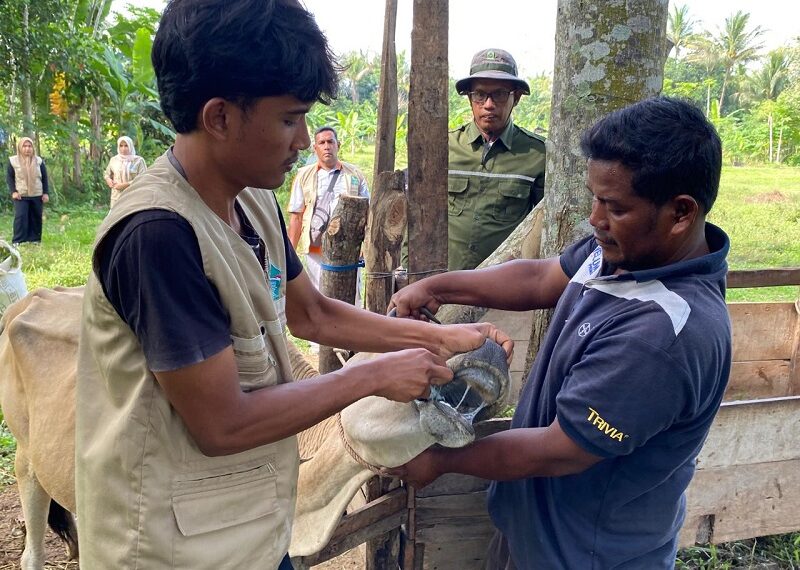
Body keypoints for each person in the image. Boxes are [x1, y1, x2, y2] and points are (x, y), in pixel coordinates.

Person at [74, 1, 511, 569]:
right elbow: (223, 424)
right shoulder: (157, 236)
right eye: (289, 118)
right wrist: (374, 374)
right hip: (172, 550)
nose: (305, 139)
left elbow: (314, 316)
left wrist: (438, 340)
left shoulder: (251, 197)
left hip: (250, 530)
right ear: (219, 117)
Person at [388, 97, 733, 569]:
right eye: (595, 197)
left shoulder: (662, 335)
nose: (595, 218)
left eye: (613, 205)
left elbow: (559, 450)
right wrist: (439, 285)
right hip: (535, 534)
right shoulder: (627, 252)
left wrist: (441, 461)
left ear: (680, 213)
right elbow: (540, 278)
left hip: (586, 555)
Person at [447, 48, 546, 270]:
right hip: (443, 282)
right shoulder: (446, 149)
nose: (489, 104)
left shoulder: (537, 154)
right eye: (480, 95)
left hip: (503, 288)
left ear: (516, 98)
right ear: (470, 98)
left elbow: (543, 225)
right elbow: (417, 217)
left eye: (500, 94)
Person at [287, 125, 369, 299]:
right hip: (316, 250)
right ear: (315, 148)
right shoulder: (303, 176)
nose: (326, 146)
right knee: (319, 296)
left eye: (330, 142)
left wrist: (367, 248)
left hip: (348, 249)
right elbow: (296, 217)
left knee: (351, 296)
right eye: (322, 143)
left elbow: (368, 213)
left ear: (338, 145)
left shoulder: (355, 175)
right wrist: (288, 254)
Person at [6, 137, 49, 245]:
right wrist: (13, 192)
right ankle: (18, 241)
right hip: (21, 195)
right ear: (20, 147)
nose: (27, 149)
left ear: (33, 148)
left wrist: (45, 193)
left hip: (37, 194)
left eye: (29, 146)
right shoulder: (13, 161)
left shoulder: (39, 161)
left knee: (36, 217)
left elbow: (44, 178)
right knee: (21, 217)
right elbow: (10, 178)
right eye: (24, 146)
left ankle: (35, 240)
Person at [104, 135, 147, 208]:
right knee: (116, 217)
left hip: (133, 197)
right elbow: (107, 174)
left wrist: (125, 185)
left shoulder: (138, 161)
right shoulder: (114, 160)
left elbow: (143, 179)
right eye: (121, 146)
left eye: (126, 146)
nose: (123, 149)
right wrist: (108, 180)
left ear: (130, 146)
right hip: (117, 196)